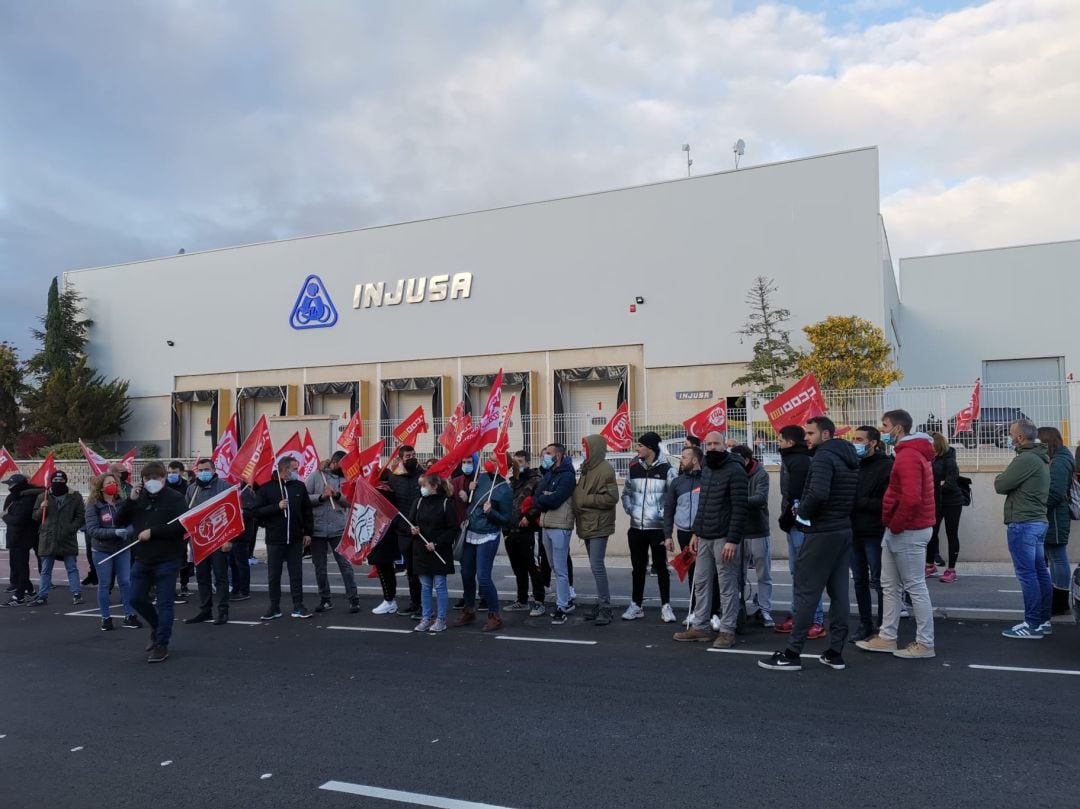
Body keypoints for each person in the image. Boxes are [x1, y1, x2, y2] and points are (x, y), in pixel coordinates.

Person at [760, 417, 858, 672]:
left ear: (826, 434)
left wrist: (801, 516)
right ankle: (835, 652)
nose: (806, 438)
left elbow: (818, 493)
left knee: (806, 592)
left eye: (811, 433)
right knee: (839, 595)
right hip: (843, 530)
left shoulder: (824, 457)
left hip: (822, 531)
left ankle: (792, 654)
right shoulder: (848, 457)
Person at [856, 410, 937, 659]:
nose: (882, 431)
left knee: (914, 585)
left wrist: (897, 524)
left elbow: (911, 498)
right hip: (899, 529)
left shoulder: (909, 456)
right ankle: (887, 637)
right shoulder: (906, 453)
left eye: (885, 425)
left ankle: (925, 644)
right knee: (889, 585)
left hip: (908, 530)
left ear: (898, 428)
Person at [673, 431, 747, 648]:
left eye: (716, 443)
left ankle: (727, 630)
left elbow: (739, 508)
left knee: (727, 585)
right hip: (704, 536)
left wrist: (732, 540)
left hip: (724, 537)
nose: (712, 447)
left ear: (725, 445)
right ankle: (701, 627)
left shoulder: (735, 470)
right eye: (709, 444)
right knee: (701, 583)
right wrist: (696, 532)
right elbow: (703, 504)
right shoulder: (706, 468)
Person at [116, 462, 187, 663]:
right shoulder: (139, 498)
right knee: (135, 598)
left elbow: (183, 525)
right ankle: (157, 627)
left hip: (168, 558)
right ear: (143, 480)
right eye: (148, 478)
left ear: (164, 479)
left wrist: (153, 532)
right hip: (142, 558)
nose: (152, 482)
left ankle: (161, 644)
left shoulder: (175, 498)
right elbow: (119, 521)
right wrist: (130, 501)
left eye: (157, 478)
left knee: (165, 603)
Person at [994, 419, 1052, 638]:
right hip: (1036, 522)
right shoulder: (1038, 457)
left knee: (1028, 575)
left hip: (1024, 523)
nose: (1008, 437)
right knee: (1039, 573)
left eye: (1010, 434)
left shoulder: (1026, 459)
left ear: (1020, 437)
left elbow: (1001, 484)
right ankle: (1043, 620)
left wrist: (1002, 476)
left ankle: (1032, 624)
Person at [621, 431, 678, 623]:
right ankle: (636, 605)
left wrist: (663, 516)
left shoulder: (667, 470)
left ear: (650, 448)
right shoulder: (634, 468)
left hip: (658, 529)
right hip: (636, 528)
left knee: (661, 567)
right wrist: (631, 509)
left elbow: (673, 497)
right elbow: (626, 493)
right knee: (638, 567)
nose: (636, 448)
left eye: (640, 445)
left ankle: (666, 606)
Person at [774, 425, 824, 637]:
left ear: (790, 442)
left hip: (801, 524)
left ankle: (815, 619)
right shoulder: (792, 459)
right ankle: (799, 615)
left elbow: (799, 495)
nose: (778, 442)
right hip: (794, 523)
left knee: (807, 574)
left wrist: (790, 516)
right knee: (797, 573)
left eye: (780, 439)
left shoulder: (801, 461)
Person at [664, 446, 721, 626]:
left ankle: (713, 612)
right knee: (693, 572)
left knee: (710, 572)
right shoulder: (677, 482)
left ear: (695, 460)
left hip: (705, 532)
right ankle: (695, 610)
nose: (681, 460)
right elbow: (669, 509)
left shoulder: (707, 479)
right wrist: (667, 535)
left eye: (684, 457)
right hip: (684, 532)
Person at [455, 458, 512, 632]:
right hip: (471, 531)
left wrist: (491, 512)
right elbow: (472, 503)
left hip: (487, 535)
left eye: (495, 461)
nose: (489, 462)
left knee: (483, 577)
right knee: (466, 573)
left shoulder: (505, 490)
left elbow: (506, 519)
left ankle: (495, 615)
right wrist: (466, 494)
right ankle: (469, 609)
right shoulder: (481, 478)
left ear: (502, 466)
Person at [254, 457, 314, 621]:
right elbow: (257, 511)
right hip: (275, 539)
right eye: (294, 468)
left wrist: (308, 532)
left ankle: (298, 606)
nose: (297, 471)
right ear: (285, 469)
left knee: (296, 575)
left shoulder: (299, 487)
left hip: (295, 539)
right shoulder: (267, 488)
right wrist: (276, 507)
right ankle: (274, 607)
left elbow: (307, 511)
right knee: (274, 575)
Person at [849, 426, 893, 642]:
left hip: (874, 532)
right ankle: (864, 623)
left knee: (879, 581)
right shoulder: (852, 464)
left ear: (873, 442)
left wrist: (860, 502)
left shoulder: (886, 466)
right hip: (852, 531)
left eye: (859, 439)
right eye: (854, 439)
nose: (855, 443)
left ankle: (883, 626)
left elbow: (887, 501)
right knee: (859, 580)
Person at [84, 473, 141, 631]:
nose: (112, 485)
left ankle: (129, 615)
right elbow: (93, 530)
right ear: (101, 487)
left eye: (114, 482)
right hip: (102, 550)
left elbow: (133, 522)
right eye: (109, 483)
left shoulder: (123, 503)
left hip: (122, 548)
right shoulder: (93, 506)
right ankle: (105, 618)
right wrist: (114, 532)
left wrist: (127, 531)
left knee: (125, 581)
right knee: (105, 584)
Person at [306, 451, 360, 614]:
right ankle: (325, 599)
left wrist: (337, 495)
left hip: (338, 528)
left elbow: (350, 501)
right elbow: (305, 498)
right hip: (318, 528)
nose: (343, 468)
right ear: (334, 462)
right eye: (341, 465)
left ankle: (353, 599)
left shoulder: (346, 478)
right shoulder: (316, 476)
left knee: (345, 565)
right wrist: (321, 497)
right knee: (320, 567)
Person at [573, 434, 619, 626]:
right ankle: (602, 603)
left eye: (587, 448)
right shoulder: (588, 468)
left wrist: (585, 501)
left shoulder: (605, 469)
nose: (585, 451)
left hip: (599, 524)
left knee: (597, 566)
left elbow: (611, 498)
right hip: (588, 522)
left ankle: (606, 607)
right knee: (594, 566)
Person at [183, 459, 233, 626]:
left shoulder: (224, 487)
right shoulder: (192, 489)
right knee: (202, 576)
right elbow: (188, 513)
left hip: (218, 539)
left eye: (206, 469)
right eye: (200, 469)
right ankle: (205, 610)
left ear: (213, 470)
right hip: (198, 540)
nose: (203, 472)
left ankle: (223, 611)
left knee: (220, 576)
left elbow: (231, 515)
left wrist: (227, 539)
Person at [730, 445, 773, 628]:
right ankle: (737, 608)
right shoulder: (731, 473)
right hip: (737, 532)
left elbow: (760, 498)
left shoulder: (761, 474)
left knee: (763, 573)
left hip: (757, 530)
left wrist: (737, 502)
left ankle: (764, 609)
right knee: (736, 574)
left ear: (746, 460)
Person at [378, 445, 423, 616]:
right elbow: (390, 503)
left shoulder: (423, 474)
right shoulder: (394, 478)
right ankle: (414, 603)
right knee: (410, 570)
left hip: (421, 529)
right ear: (400, 458)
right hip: (404, 530)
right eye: (407, 456)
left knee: (422, 571)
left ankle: (423, 604)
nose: (411, 458)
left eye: (413, 455)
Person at [535, 442, 577, 624]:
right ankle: (564, 600)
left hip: (560, 526)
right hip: (547, 524)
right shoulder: (550, 473)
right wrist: (545, 496)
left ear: (558, 455)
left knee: (560, 568)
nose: (545, 456)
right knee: (553, 565)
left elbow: (556, 499)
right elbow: (537, 495)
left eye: (549, 453)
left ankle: (562, 605)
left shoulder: (568, 476)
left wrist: (544, 498)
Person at [409, 474, 457, 632]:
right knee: (425, 586)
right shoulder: (418, 502)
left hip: (439, 551)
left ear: (434, 486)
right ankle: (426, 618)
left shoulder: (446, 503)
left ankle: (441, 619)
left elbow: (453, 529)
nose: (422, 488)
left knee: (440, 585)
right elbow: (410, 523)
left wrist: (436, 543)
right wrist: (413, 529)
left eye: (424, 485)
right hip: (421, 550)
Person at [30, 471, 85, 607]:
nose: (58, 482)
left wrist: (71, 528)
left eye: (61, 480)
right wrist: (41, 509)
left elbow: (80, 516)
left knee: (72, 568)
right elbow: (35, 517)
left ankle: (76, 594)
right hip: (48, 538)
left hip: (67, 538)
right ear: (51, 481)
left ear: (65, 481)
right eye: (55, 479)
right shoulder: (43, 496)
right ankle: (42, 595)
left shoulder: (75, 497)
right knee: (46, 569)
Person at [503, 450, 545, 615]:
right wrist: (505, 530)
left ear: (527, 462)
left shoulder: (536, 480)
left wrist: (529, 516)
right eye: (515, 462)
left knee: (533, 568)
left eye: (520, 461)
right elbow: (506, 505)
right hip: (511, 531)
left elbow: (539, 502)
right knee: (518, 568)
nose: (517, 465)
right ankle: (522, 600)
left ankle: (539, 601)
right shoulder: (512, 482)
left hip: (528, 531)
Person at [1038, 426, 1074, 615]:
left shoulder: (1060, 460)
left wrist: (1039, 507)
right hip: (1052, 515)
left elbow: (1056, 492)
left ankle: (1061, 603)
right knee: (1054, 557)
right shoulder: (1058, 458)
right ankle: (1057, 599)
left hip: (1055, 516)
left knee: (1058, 556)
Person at [926, 432, 964, 582]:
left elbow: (950, 484)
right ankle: (930, 565)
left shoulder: (949, 461)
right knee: (931, 533)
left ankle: (951, 569)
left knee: (951, 533)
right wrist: (937, 483)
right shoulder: (928, 459)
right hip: (935, 501)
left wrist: (934, 485)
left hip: (952, 502)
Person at [3, 474, 44, 606]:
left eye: (11, 484)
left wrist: (4, 517)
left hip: (24, 536)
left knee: (22, 566)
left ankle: (19, 595)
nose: (9, 487)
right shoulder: (14, 498)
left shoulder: (27, 499)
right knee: (17, 565)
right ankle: (29, 589)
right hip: (14, 536)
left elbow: (19, 519)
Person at [165, 460, 194, 601]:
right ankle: (169, 587)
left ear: (181, 473)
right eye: (169, 472)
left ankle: (184, 584)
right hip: (167, 526)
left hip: (183, 525)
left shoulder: (187, 487)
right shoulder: (164, 486)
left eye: (174, 472)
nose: (171, 475)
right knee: (169, 557)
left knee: (183, 555)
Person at [229, 484, 257, 601]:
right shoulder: (231, 489)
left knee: (241, 564)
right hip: (231, 534)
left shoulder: (246, 491)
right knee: (233, 564)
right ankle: (236, 588)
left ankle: (244, 590)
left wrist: (240, 511)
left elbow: (252, 512)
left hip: (242, 534)